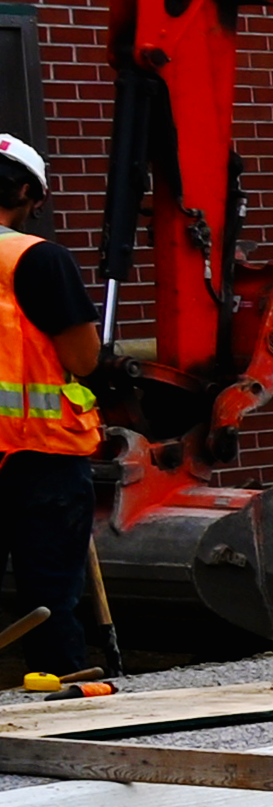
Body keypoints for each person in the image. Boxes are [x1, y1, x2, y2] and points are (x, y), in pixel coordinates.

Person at [0, 136, 125, 691]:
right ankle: (63, 700)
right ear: (26, 191)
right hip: (39, 454)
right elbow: (80, 358)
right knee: (50, 598)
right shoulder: (36, 258)